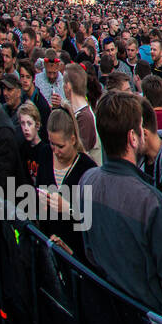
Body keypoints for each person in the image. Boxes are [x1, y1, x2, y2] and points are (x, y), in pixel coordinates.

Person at [78, 91, 162, 318]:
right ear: (133, 137)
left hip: (111, 311)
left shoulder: (86, 181)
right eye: (141, 127)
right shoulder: (151, 202)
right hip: (151, 321)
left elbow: (89, 250)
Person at [31, 106, 98, 256]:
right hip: (49, 249)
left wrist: (68, 208)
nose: (55, 150)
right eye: (51, 144)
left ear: (73, 139)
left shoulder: (87, 168)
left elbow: (93, 219)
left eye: (60, 146)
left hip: (77, 255)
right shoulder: (45, 153)